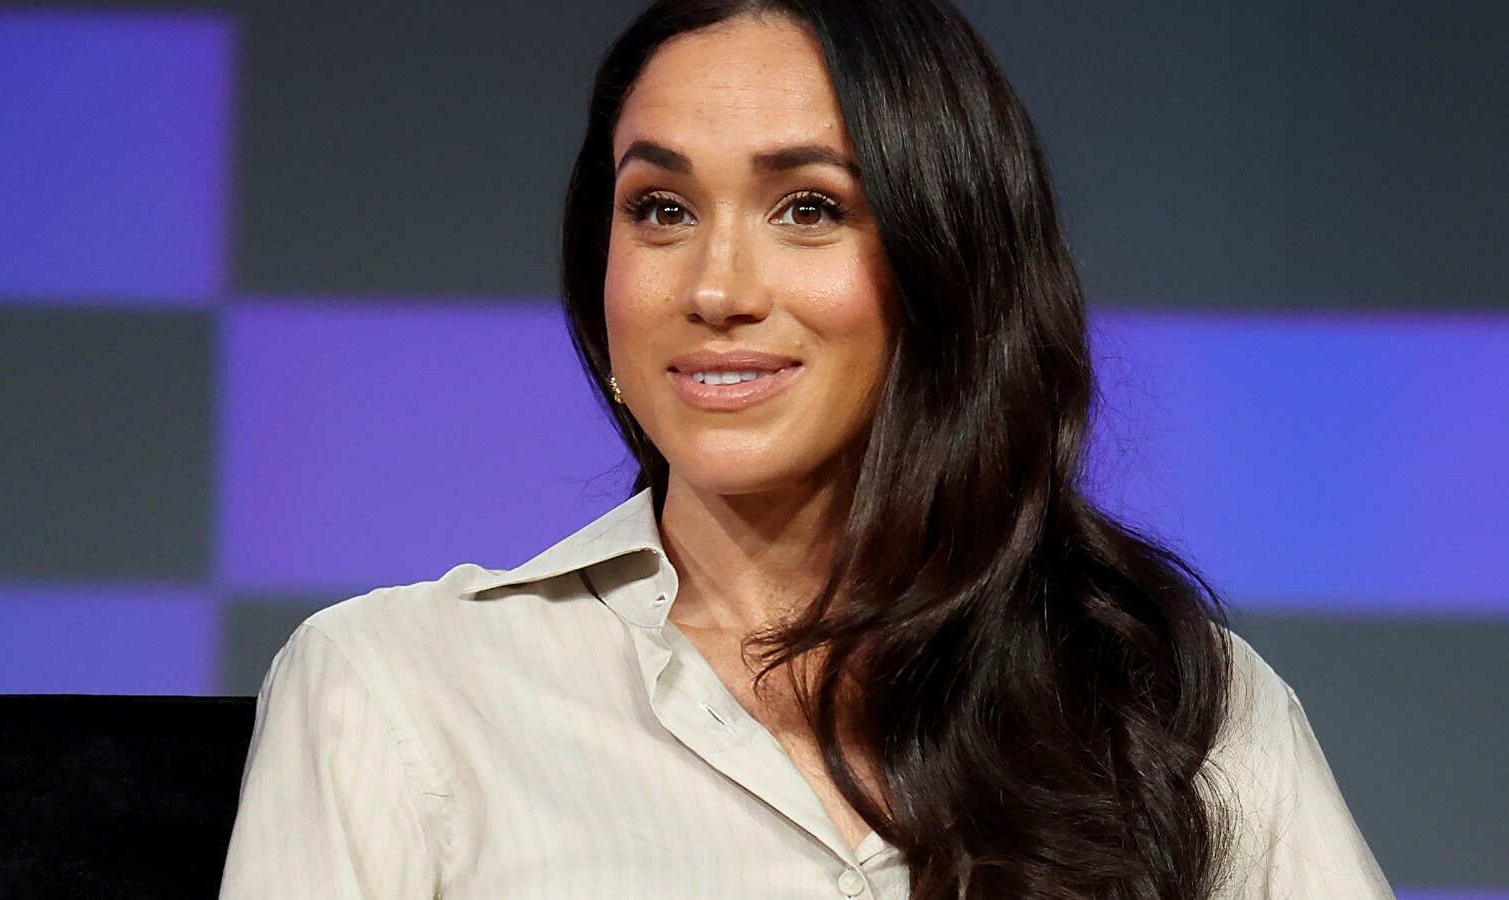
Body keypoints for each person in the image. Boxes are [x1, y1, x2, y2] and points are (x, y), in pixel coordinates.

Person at [217, 0, 1394, 897]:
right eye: (660, 210)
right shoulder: (395, 689)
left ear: (950, 266)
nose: (717, 287)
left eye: (810, 208)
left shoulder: (1174, 702)